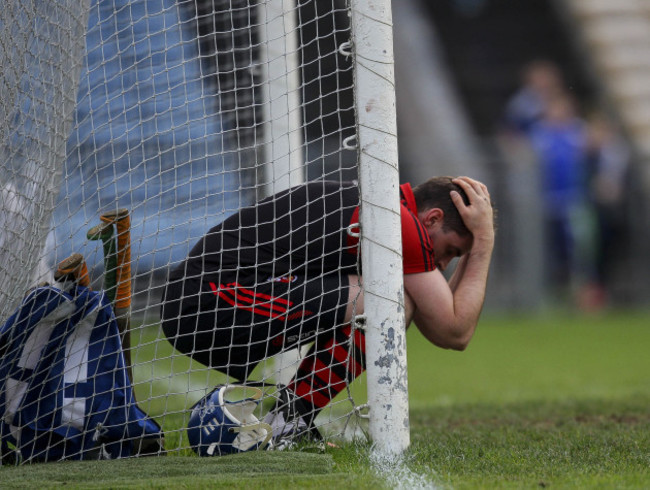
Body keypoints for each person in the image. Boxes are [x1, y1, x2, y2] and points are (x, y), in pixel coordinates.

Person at [160, 176, 494, 441]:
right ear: (433, 218)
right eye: (450, 250)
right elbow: (454, 331)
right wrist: (484, 242)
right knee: (390, 303)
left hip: (208, 296)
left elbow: (441, 322)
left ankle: (290, 422)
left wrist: (474, 244)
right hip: (211, 298)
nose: (444, 264)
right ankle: (287, 424)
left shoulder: (385, 210)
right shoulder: (398, 224)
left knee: (387, 299)